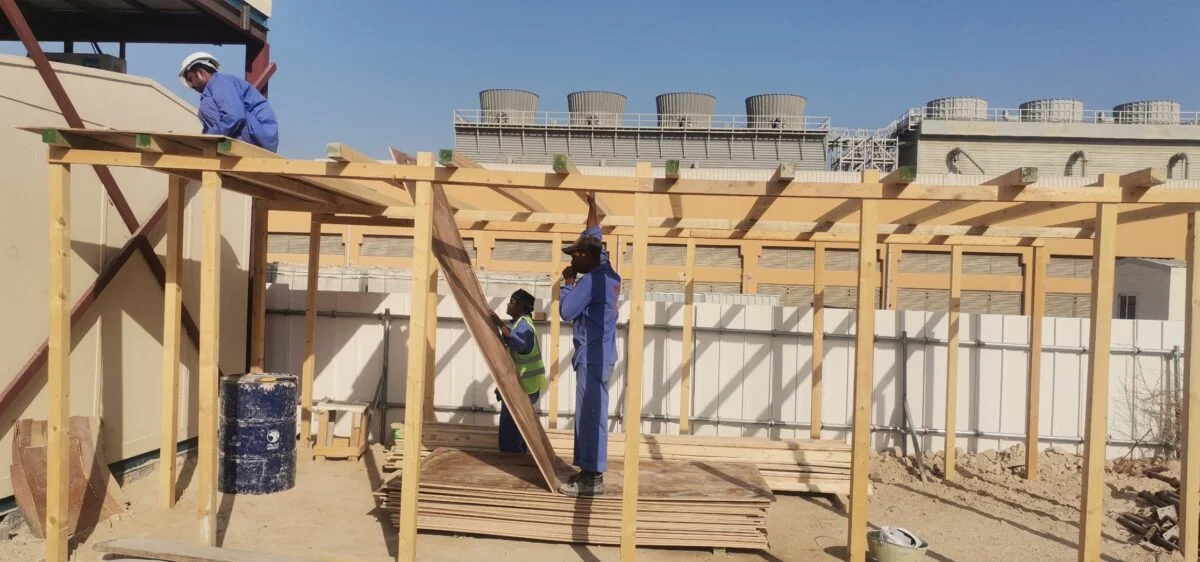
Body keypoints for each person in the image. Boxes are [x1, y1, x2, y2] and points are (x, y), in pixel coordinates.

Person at [557, 193, 621, 496]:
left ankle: (593, 479)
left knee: (591, 416)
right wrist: (592, 207)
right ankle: (588, 471)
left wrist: (568, 284)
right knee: (591, 414)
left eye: (574, 257)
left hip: (593, 357)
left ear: (586, 256)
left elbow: (567, 312)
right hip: (602, 355)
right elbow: (595, 235)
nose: (572, 262)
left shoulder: (591, 281)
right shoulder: (606, 271)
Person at [178, 52, 279, 152]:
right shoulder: (220, 84)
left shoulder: (220, 83)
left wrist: (208, 139)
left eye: (190, 79)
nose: (192, 86)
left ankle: (226, 146)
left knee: (206, 106)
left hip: (258, 136)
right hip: (260, 135)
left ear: (201, 72)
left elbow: (234, 116)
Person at [488, 289, 546, 454]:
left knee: (510, 433)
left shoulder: (524, 326)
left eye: (512, 302)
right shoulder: (520, 324)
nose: (508, 305)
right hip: (524, 385)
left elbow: (517, 342)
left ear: (521, 307)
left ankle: (513, 460)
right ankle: (520, 457)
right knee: (519, 430)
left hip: (525, 387)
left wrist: (499, 323)